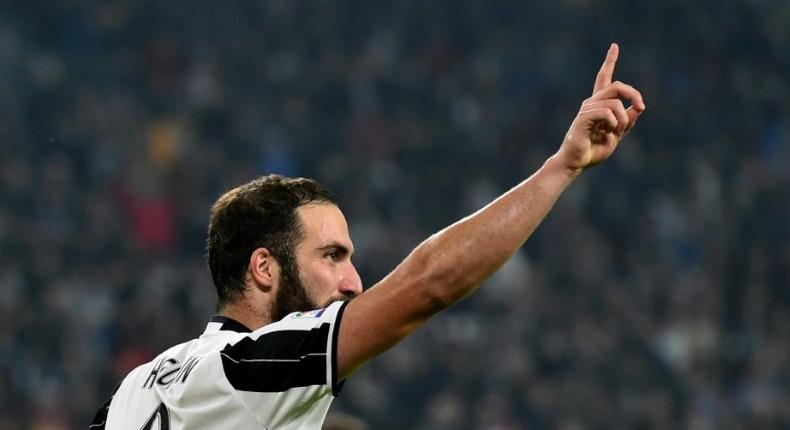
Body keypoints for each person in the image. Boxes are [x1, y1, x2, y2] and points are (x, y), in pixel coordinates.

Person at [89, 43, 644, 429]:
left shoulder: (136, 388)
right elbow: (428, 284)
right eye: (331, 256)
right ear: (264, 268)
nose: (353, 282)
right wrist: (559, 169)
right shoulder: (252, 370)